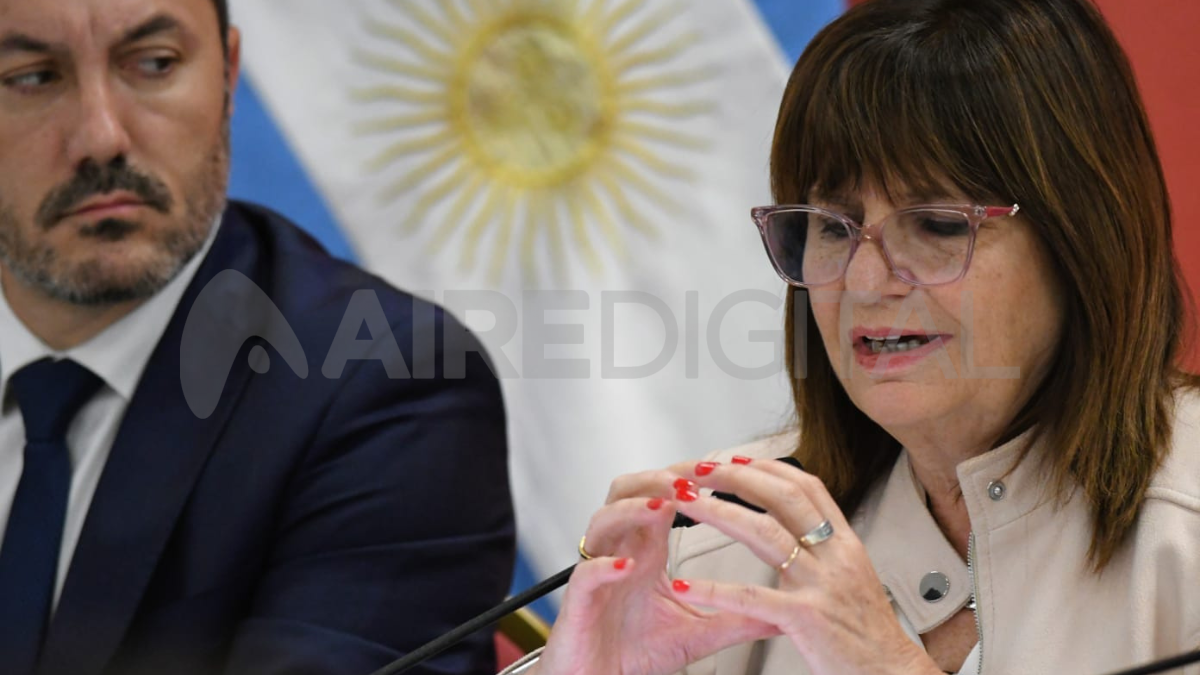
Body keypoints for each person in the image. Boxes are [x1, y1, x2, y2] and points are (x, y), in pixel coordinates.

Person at [508, 0, 1200, 674]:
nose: (866, 280)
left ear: (1082, 237)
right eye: (833, 226)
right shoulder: (726, 536)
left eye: (936, 224)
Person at [0, 1, 515, 674]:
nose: (101, 137)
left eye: (154, 64)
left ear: (228, 74)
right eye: (33, 77)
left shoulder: (394, 382)